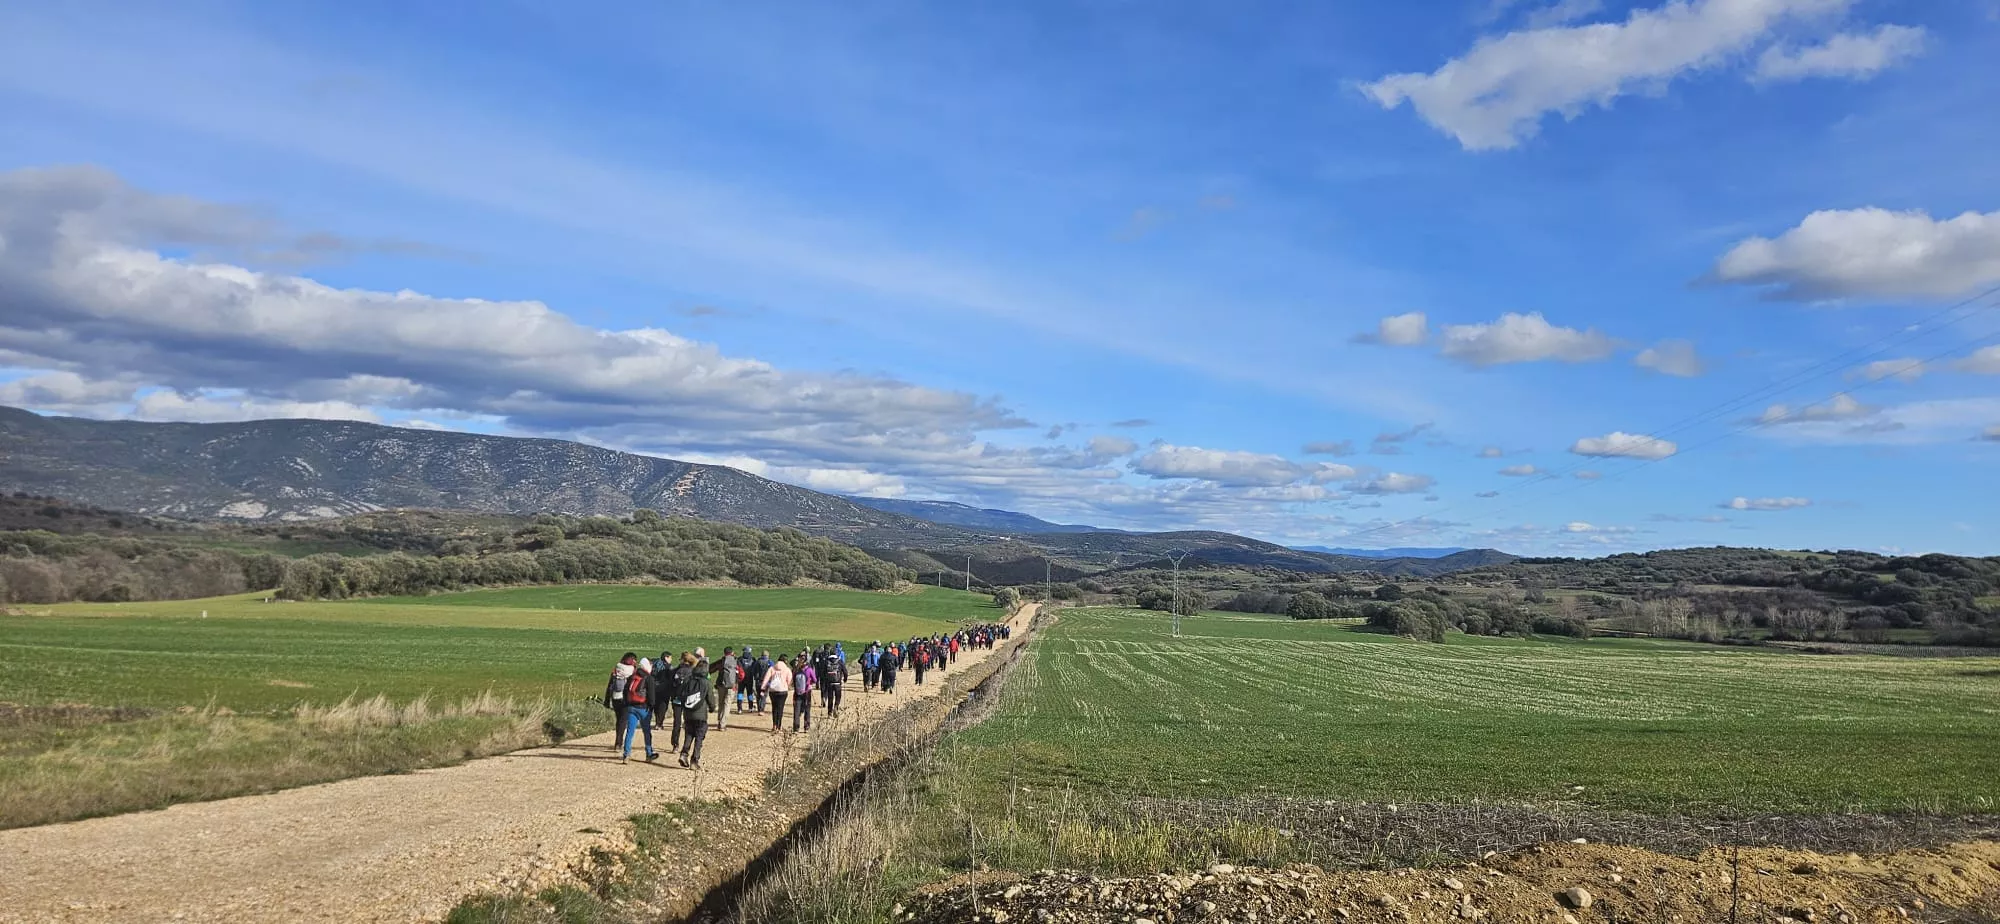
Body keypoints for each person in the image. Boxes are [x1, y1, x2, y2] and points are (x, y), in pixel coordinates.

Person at [680, 657, 716, 769]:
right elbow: (710, 699)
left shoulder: (688, 680)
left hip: (688, 713)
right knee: (699, 738)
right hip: (700, 715)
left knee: (689, 734)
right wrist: (712, 708)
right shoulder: (706, 683)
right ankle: (694, 761)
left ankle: (684, 754)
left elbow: (681, 694)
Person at [621, 659, 660, 764]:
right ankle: (648, 753)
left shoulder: (632, 677)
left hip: (631, 708)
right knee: (647, 732)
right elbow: (652, 696)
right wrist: (652, 707)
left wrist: (627, 704)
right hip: (644, 709)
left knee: (630, 731)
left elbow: (625, 691)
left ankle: (626, 755)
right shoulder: (649, 678)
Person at [604, 652, 638, 752]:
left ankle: (617, 742)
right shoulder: (632, 671)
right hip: (626, 699)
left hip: (615, 697)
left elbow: (609, 685)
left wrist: (607, 700)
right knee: (623, 721)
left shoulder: (616, 669)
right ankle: (619, 743)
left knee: (619, 720)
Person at [667, 651, 695, 747]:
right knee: (688, 723)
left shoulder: (676, 670)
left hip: (677, 700)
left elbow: (672, 684)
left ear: (683, 660)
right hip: (689, 700)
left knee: (677, 723)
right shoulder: (693, 671)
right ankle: (687, 744)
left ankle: (675, 744)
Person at [762, 653, 793, 733]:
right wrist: (788, 686)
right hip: (782, 691)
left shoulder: (772, 668)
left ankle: (774, 725)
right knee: (780, 708)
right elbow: (789, 681)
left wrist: (763, 688)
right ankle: (779, 727)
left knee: (774, 708)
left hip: (773, 691)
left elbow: (766, 679)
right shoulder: (787, 669)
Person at [791, 655, 816, 732]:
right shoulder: (809, 670)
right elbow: (815, 680)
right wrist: (809, 682)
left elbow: (792, 682)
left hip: (797, 692)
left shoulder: (795, 670)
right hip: (807, 692)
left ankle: (796, 727)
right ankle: (806, 726)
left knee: (797, 710)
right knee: (807, 709)